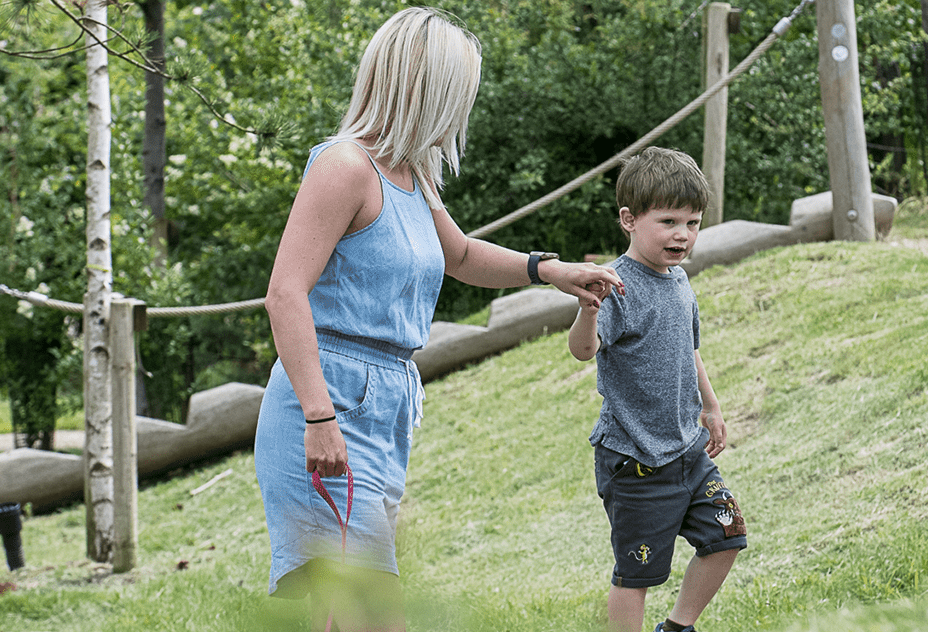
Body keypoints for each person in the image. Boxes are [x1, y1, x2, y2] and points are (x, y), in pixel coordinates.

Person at [254, 7, 625, 630]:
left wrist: (551, 271)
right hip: (326, 402)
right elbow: (285, 294)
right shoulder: (344, 166)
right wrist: (319, 416)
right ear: (427, 87)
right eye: (460, 93)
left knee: (342, 614)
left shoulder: (414, 174)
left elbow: (460, 256)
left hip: (385, 404)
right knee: (375, 614)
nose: (464, 109)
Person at [566, 147, 746, 632]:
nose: (682, 234)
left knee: (727, 535)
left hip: (688, 449)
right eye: (669, 221)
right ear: (629, 219)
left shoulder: (680, 280)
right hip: (636, 459)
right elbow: (585, 350)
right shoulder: (615, 286)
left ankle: (678, 627)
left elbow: (689, 349)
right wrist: (587, 309)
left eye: (693, 222)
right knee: (636, 575)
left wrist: (711, 406)